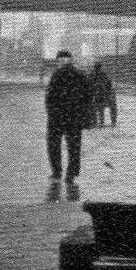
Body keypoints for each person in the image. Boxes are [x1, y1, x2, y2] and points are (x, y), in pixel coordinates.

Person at [45, 50, 90, 184]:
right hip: (74, 116)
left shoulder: (57, 74)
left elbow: (50, 95)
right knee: (74, 146)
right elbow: (88, 96)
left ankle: (57, 171)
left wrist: (51, 112)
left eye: (61, 60)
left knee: (53, 144)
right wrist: (84, 115)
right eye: (60, 61)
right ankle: (71, 173)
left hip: (57, 117)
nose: (60, 63)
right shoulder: (80, 74)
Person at [88, 62, 117, 127]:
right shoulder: (97, 75)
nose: (97, 69)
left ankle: (101, 121)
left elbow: (108, 84)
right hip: (99, 95)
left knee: (108, 106)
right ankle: (108, 121)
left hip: (101, 95)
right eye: (97, 68)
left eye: (97, 68)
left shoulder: (99, 74)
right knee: (97, 106)